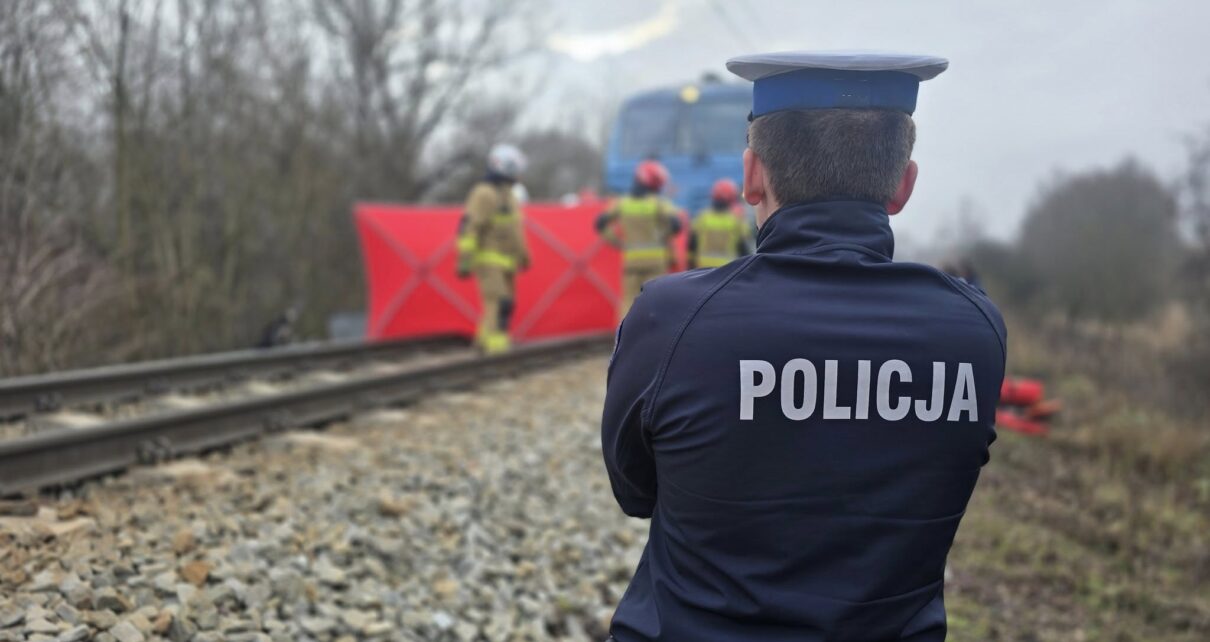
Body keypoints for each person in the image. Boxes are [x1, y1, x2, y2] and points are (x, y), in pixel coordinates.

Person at [601, 51, 1007, 641]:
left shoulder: (670, 318)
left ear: (752, 176)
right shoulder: (976, 331)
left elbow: (635, 491)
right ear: (903, 185)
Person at [456, 144, 530, 354]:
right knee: (498, 302)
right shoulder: (483, 193)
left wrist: (524, 256)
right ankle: (493, 352)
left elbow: (516, 230)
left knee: (505, 305)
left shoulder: (510, 196)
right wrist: (465, 259)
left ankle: (487, 345)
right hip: (488, 260)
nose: (519, 174)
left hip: (507, 262)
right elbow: (470, 227)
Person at [595, 160, 683, 320]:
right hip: (656, 262)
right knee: (656, 300)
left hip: (631, 261)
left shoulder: (622, 203)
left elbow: (599, 223)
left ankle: (623, 339)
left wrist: (616, 242)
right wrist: (663, 237)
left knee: (628, 301)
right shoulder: (658, 203)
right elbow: (676, 224)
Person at [688, 178, 752, 268]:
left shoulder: (701, 218)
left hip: (702, 270)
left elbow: (691, 246)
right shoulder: (737, 221)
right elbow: (744, 250)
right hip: (726, 272)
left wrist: (690, 267)